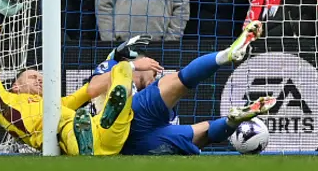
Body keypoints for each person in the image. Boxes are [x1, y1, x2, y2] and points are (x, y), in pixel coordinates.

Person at [0, 0, 135, 155]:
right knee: (67, 124)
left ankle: (108, 115)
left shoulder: (56, 103)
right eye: (33, 76)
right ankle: (85, 138)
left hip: (105, 132)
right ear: (15, 86)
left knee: (123, 69)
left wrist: (116, 58)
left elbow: (89, 88)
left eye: (41, 76)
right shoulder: (5, 103)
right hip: (70, 136)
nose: (40, 79)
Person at [91, 21, 276, 155]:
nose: (155, 72)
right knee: (182, 79)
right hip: (126, 120)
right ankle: (226, 55)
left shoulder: (167, 112)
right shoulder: (115, 68)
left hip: (136, 146)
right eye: (151, 67)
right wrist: (130, 65)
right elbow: (94, 87)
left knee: (205, 132)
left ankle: (231, 121)